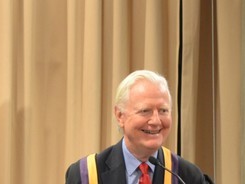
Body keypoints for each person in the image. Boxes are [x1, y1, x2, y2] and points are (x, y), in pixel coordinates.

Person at [65, 70, 213, 184]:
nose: (156, 121)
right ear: (120, 116)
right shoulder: (87, 175)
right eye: (145, 111)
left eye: (163, 111)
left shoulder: (186, 176)